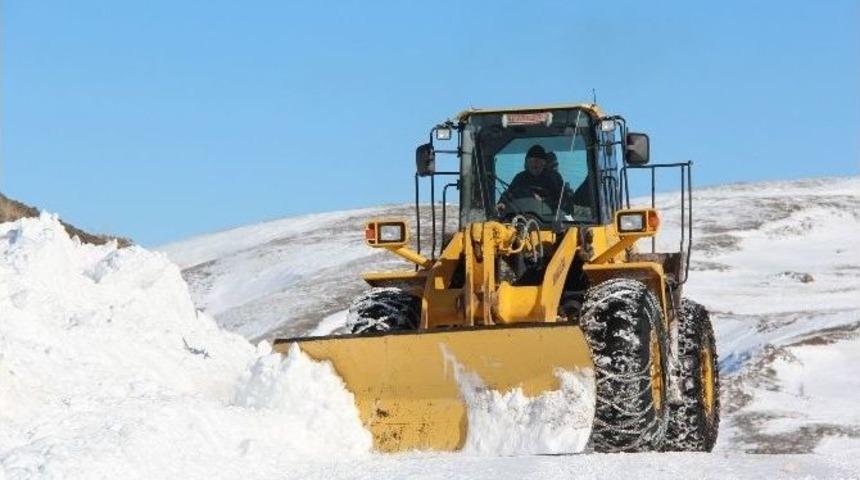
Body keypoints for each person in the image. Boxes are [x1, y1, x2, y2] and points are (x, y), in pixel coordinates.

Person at [497, 145, 563, 213]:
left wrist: (543, 201)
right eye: (531, 161)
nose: (534, 164)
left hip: (548, 220)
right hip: (522, 219)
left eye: (538, 161)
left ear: (544, 163)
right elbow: (509, 193)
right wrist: (502, 203)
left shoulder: (553, 178)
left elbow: (563, 202)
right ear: (526, 163)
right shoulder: (520, 178)